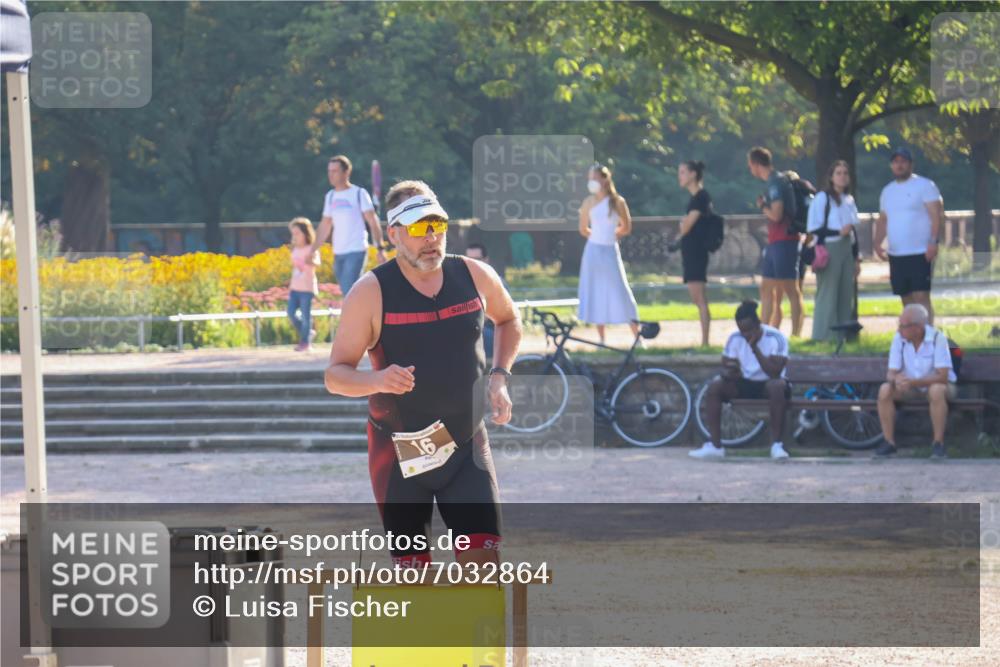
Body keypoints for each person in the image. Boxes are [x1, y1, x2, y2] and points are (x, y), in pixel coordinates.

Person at [323, 180, 522, 568]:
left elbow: (510, 320)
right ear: (394, 233)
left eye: (438, 225)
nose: (431, 238)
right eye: (418, 228)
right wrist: (377, 381)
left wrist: (499, 377)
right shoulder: (370, 293)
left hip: (466, 445)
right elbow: (335, 375)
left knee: (483, 569)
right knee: (416, 580)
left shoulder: (474, 275)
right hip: (400, 454)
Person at [689, 300, 791, 460]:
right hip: (745, 382)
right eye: (742, 330)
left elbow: (774, 372)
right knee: (715, 387)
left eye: (749, 330)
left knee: (777, 386)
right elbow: (726, 361)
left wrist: (754, 348)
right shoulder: (735, 338)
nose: (745, 335)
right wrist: (730, 371)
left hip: (768, 384)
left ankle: (777, 446)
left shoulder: (775, 337)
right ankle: (715, 446)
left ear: (758, 324)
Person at [874, 303, 956, 459]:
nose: (898, 329)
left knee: (936, 390)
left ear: (918, 328)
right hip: (910, 388)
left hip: (939, 386)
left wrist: (912, 383)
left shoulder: (938, 339)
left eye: (903, 326)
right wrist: (896, 379)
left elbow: (943, 377)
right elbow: (890, 373)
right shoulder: (899, 338)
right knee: (885, 390)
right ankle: (889, 443)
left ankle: (938, 444)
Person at [874, 147, 944, 323]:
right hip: (897, 252)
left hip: (920, 250)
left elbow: (936, 215)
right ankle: (913, 336)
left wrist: (933, 241)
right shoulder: (887, 191)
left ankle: (928, 337)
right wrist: (877, 243)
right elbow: (883, 220)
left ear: (910, 164)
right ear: (892, 165)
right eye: (896, 162)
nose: (899, 165)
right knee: (905, 298)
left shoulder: (925, 185)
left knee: (921, 296)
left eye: (903, 161)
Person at [577, 163, 639, 345]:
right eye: (590, 178)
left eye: (595, 178)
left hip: (610, 250)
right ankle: (601, 339)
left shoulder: (617, 201)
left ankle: (637, 336)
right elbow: (583, 228)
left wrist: (612, 235)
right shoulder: (588, 202)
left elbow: (626, 227)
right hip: (593, 251)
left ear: (604, 179)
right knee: (596, 291)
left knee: (621, 290)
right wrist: (597, 236)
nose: (592, 182)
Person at [747, 147, 804, 337]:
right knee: (766, 289)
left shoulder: (776, 183)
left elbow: (777, 215)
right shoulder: (772, 183)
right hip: (774, 242)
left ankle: (796, 334)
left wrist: (763, 206)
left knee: (791, 290)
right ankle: (763, 332)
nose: (750, 170)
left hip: (785, 240)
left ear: (756, 164)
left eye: (750, 165)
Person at [311, 155, 387, 296]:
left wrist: (380, 248)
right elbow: (325, 225)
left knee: (349, 291)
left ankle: (353, 317)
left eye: (335, 171)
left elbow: (372, 221)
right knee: (351, 291)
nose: (331, 174)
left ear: (346, 172)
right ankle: (367, 314)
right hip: (339, 252)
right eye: (329, 171)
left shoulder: (359, 193)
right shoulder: (330, 196)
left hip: (356, 249)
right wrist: (313, 249)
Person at [808, 160, 859, 341]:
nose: (842, 176)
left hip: (846, 248)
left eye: (845, 173)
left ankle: (843, 336)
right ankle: (823, 335)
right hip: (830, 247)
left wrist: (856, 258)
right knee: (828, 293)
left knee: (845, 294)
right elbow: (814, 228)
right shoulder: (823, 198)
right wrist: (838, 231)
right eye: (838, 173)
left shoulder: (849, 200)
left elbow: (853, 231)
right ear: (831, 177)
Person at [674, 159, 712, 347]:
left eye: (682, 172)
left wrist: (683, 224)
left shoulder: (701, 197)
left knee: (700, 298)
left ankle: (705, 341)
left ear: (693, 174)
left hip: (697, 253)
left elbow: (686, 226)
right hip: (690, 253)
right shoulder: (694, 199)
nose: (679, 176)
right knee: (696, 298)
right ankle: (704, 340)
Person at [287, 217, 321, 351]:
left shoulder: (311, 249)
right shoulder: (295, 249)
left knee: (306, 315)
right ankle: (307, 333)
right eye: (293, 233)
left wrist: (310, 261)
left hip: (307, 288)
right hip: (295, 288)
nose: (294, 236)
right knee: (290, 312)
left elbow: (317, 263)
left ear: (305, 233)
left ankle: (305, 343)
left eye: (297, 233)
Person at [465, 242, 500, 357]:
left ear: (486, 260)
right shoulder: (460, 282)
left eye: (477, 259)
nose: (472, 263)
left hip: (490, 331)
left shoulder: (496, 283)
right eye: (468, 259)